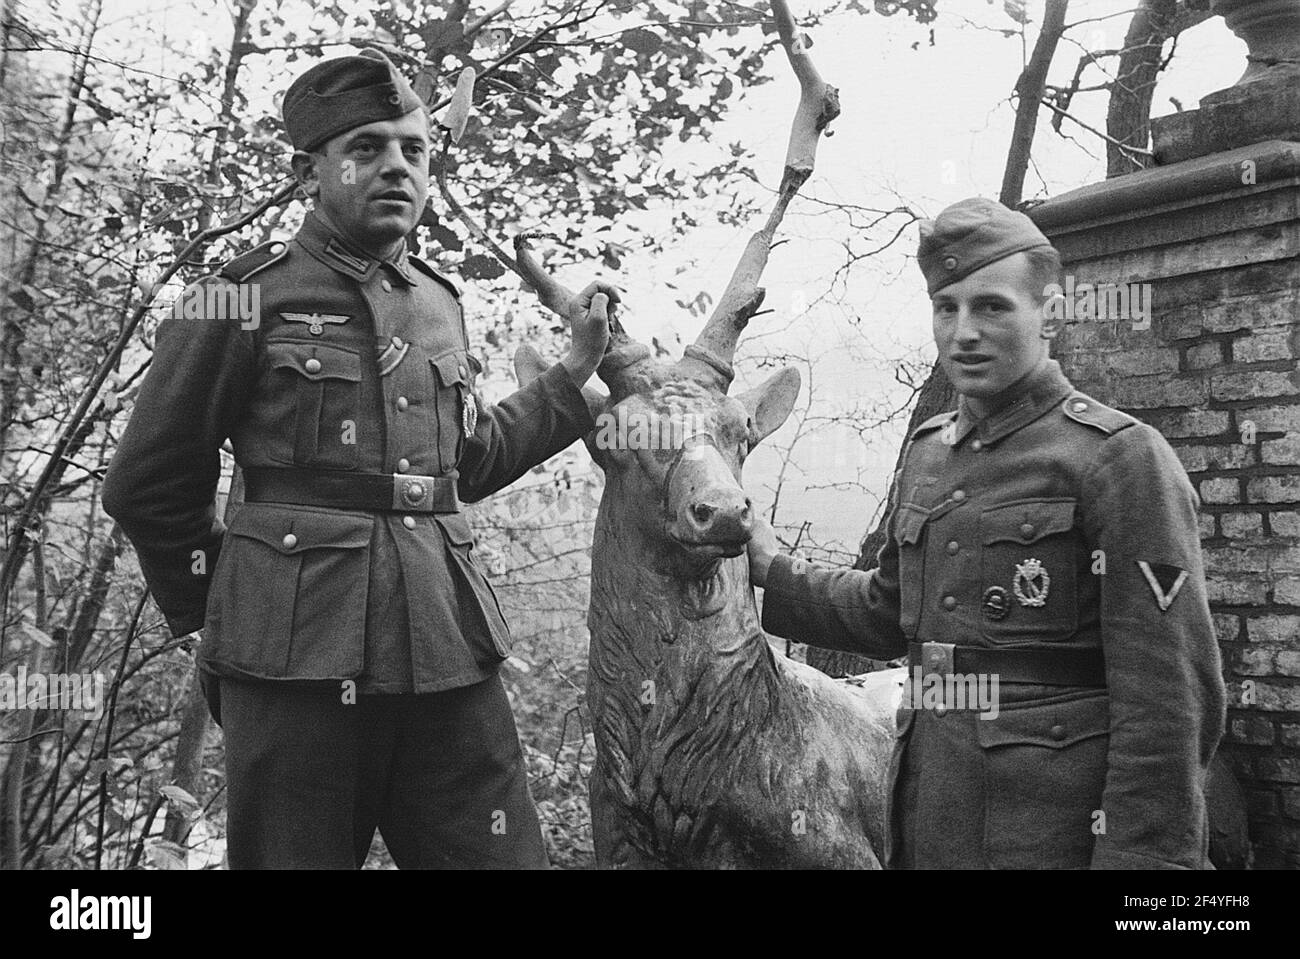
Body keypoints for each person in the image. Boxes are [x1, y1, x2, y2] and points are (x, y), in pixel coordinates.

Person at [102, 49, 616, 869]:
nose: (396, 168)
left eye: (413, 150)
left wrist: (569, 378)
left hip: (449, 650)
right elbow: (148, 480)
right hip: (292, 668)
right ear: (311, 170)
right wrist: (235, 610)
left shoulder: (438, 303)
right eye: (367, 148)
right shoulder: (241, 295)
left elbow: (464, 465)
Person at [747, 197, 1226, 869]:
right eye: (947, 307)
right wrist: (773, 569)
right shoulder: (929, 452)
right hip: (930, 826)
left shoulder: (1118, 459)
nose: (964, 331)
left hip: (1054, 840)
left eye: (992, 306)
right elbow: (891, 611)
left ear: (1050, 315)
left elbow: (1169, 701)